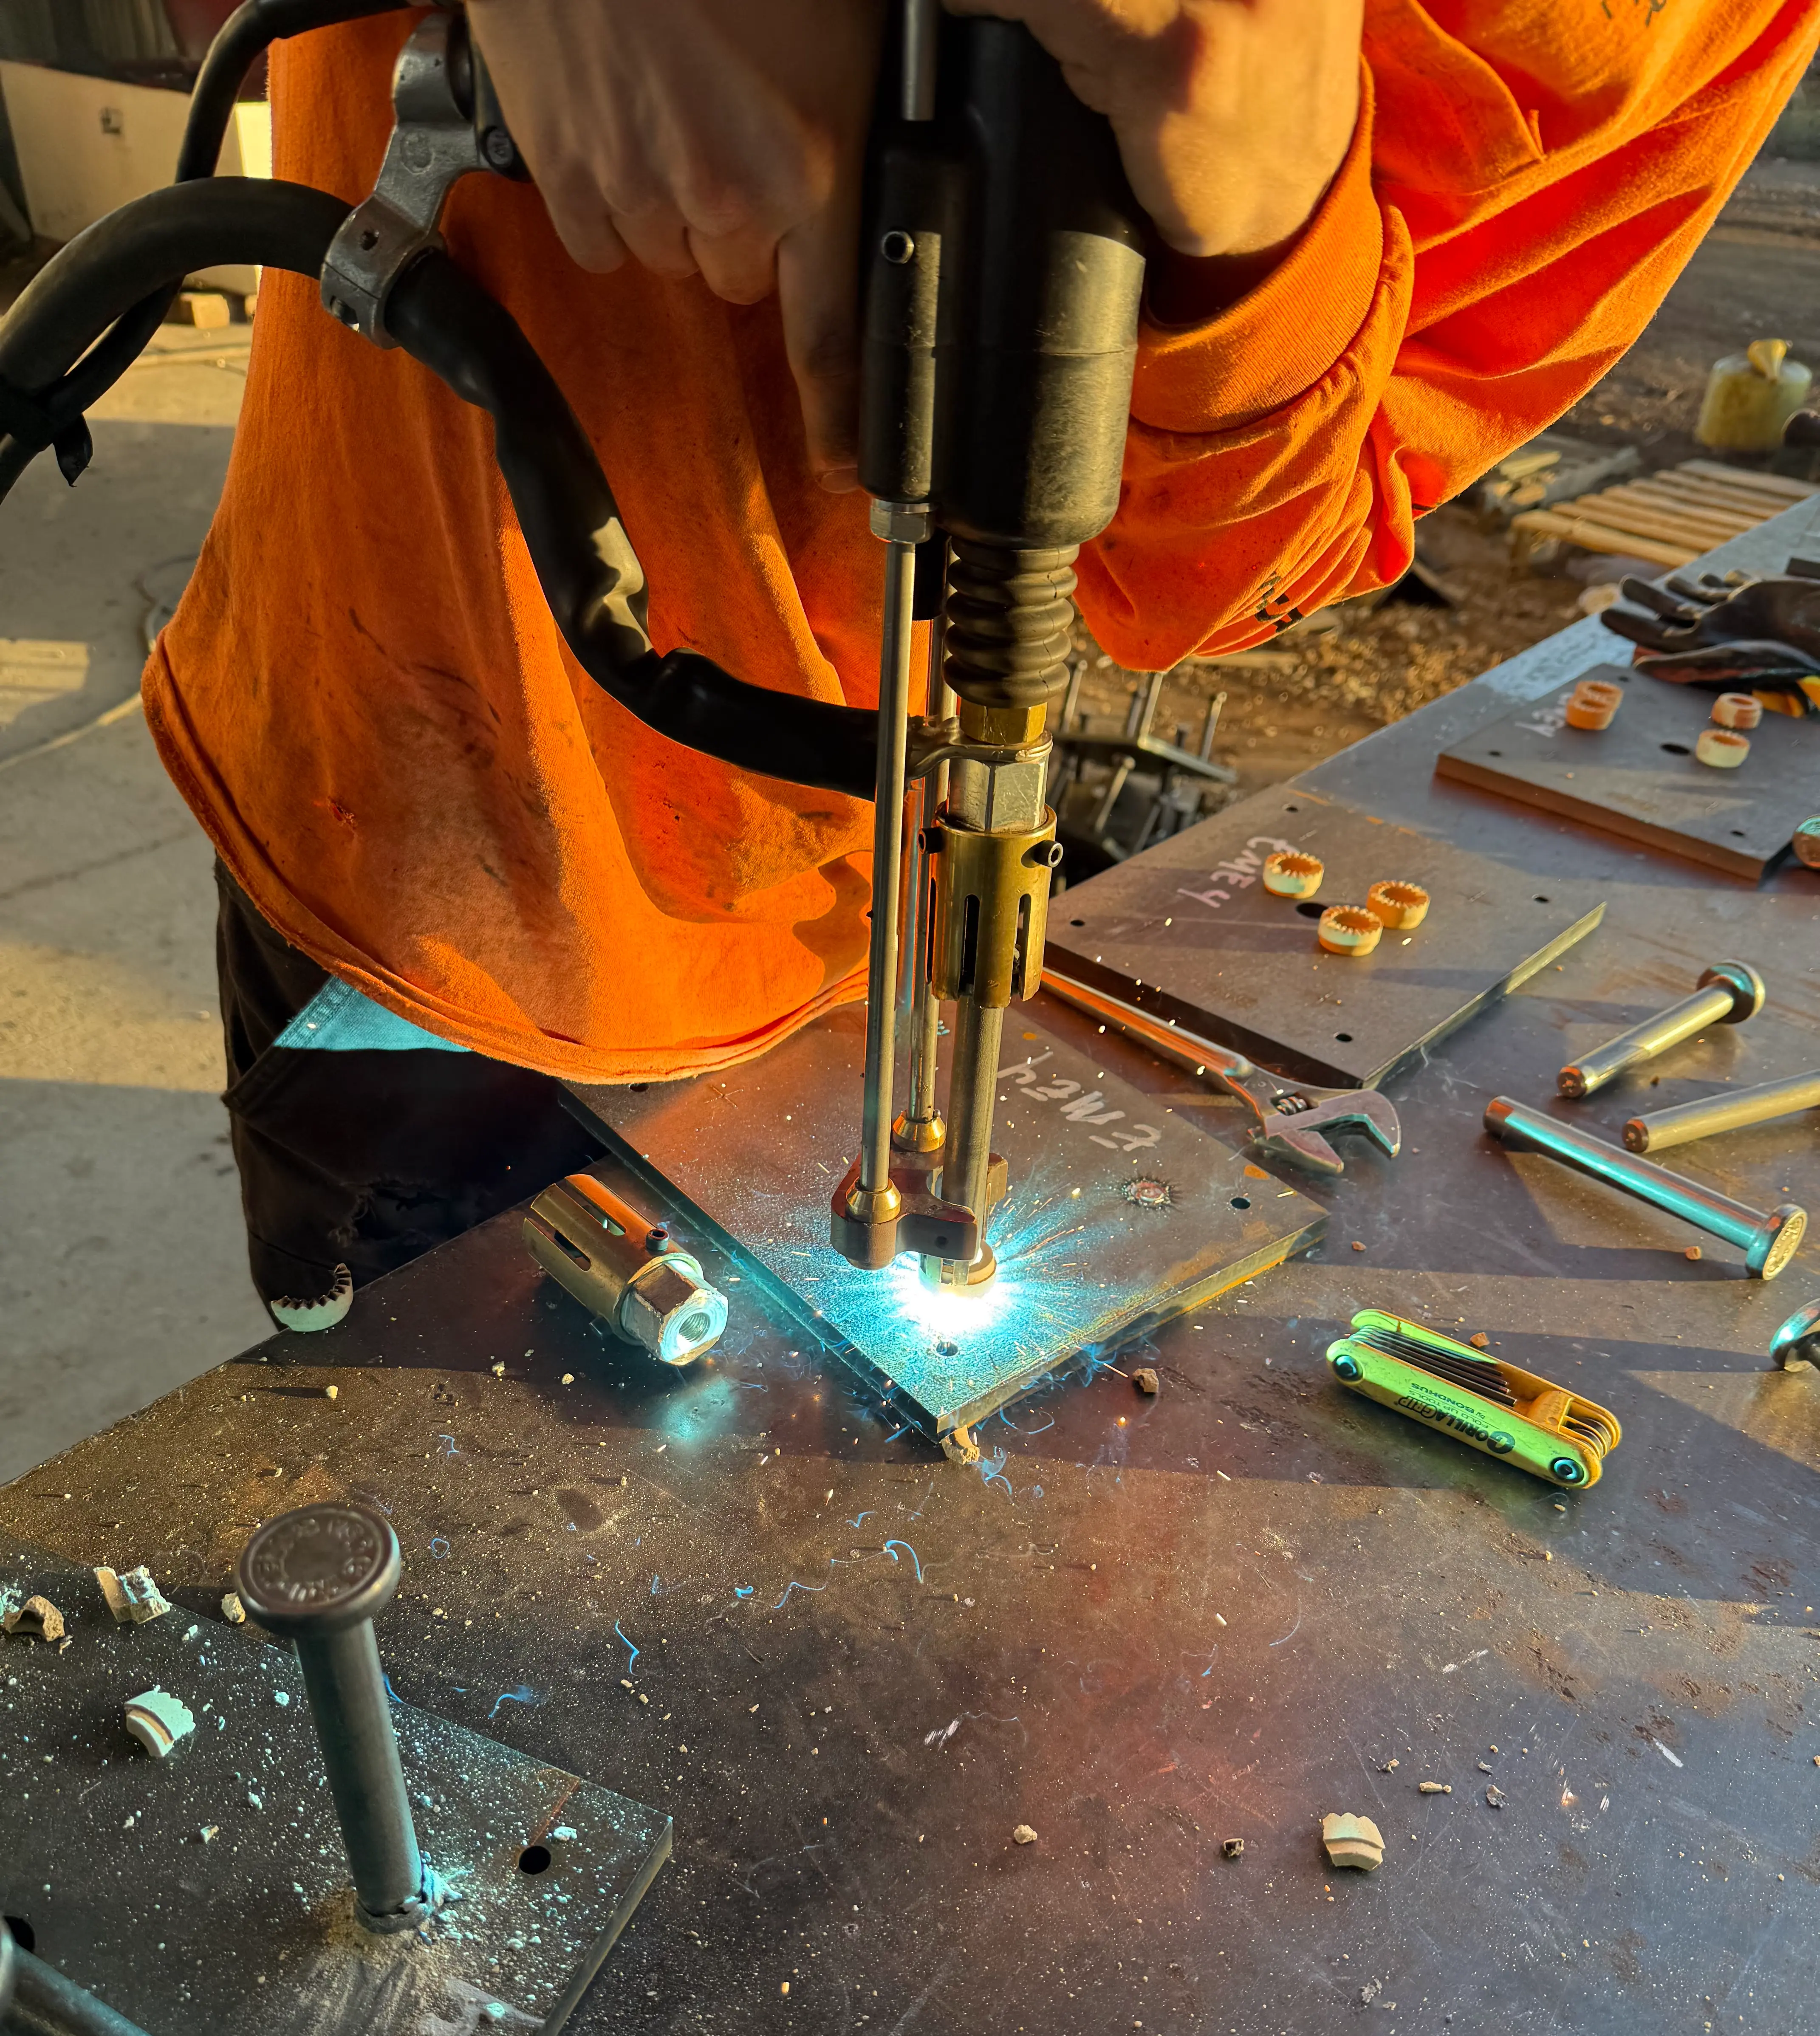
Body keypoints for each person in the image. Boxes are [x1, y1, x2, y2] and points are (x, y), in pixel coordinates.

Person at [142, 0, 1814, 1321]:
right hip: (401, 826)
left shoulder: (1678, 22)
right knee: (377, 1455)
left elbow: (1247, 559)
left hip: (848, 928)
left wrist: (1272, 225)